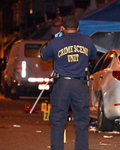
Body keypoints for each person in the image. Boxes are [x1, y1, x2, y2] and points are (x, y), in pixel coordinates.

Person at [40, 15, 97, 150]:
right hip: (80, 84)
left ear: (63, 28)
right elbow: (93, 56)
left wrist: (55, 39)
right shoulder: (87, 40)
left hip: (62, 84)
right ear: (78, 28)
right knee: (82, 121)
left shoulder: (56, 42)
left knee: (58, 121)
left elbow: (44, 55)